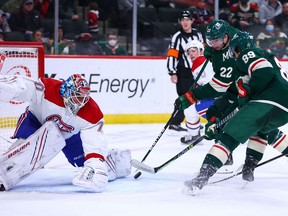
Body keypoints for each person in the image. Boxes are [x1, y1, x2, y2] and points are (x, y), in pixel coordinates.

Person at [181, 32, 288, 196]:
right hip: (283, 106)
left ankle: (202, 177)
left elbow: (264, 73)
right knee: (262, 130)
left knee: (229, 137)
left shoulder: (248, 53)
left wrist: (249, 92)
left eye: (234, 50)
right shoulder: (247, 66)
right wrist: (218, 122)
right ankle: (249, 167)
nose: (233, 54)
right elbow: (235, 98)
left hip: (268, 99)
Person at [0, 74, 131, 191]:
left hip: (70, 135)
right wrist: (5, 86)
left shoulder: (92, 112)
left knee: (87, 165)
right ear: (67, 91)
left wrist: (98, 167)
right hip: (37, 122)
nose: (81, 102)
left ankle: (115, 162)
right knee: (24, 148)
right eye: (78, 97)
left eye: (84, 98)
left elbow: (94, 142)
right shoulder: (47, 88)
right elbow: (22, 87)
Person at [166, 10, 204, 134]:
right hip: (183, 71)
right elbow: (172, 55)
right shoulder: (177, 36)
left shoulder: (198, 34)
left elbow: (203, 51)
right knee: (184, 97)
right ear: (180, 22)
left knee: (195, 95)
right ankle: (175, 122)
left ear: (192, 21)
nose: (185, 22)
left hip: (197, 70)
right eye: (183, 20)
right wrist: (172, 72)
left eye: (187, 19)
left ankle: (193, 123)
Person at [180, 40, 214, 145]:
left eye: (193, 51)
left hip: (216, 97)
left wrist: (192, 95)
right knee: (189, 109)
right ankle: (194, 135)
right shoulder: (197, 64)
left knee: (200, 109)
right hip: (212, 96)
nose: (191, 54)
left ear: (201, 51)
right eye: (189, 52)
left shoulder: (202, 62)